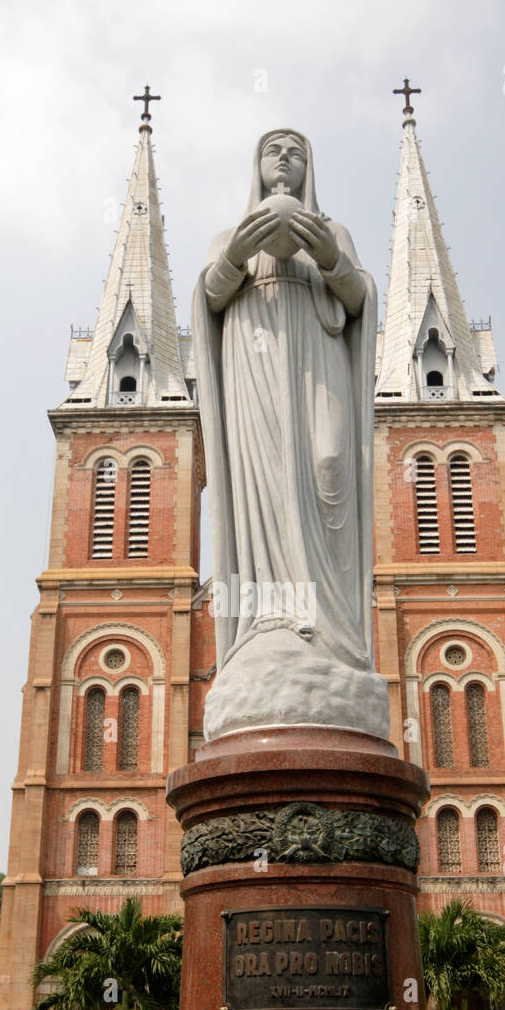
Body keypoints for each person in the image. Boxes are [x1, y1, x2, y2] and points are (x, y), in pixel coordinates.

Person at [194, 128, 389, 742]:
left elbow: (360, 299)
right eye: (272, 150)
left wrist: (329, 256)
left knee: (330, 466)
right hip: (254, 368)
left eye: (296, 150)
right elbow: (209, 298)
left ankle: (333, 634)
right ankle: (271, 622)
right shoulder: (231, 236)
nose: (284, 158)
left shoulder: (335, 235)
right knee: (267, 486)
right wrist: (232, 259)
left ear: (310, 167)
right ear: (256, 167)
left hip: (318, 368)